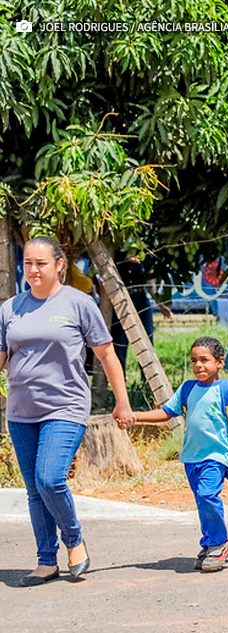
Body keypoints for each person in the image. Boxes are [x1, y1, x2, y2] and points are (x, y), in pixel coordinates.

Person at [0, 236, 134, 586]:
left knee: (49, 478)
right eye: (27, 263)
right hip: (21, 411)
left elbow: (106, 355)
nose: (33, 270)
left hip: (66, 405)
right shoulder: (10, 308)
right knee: (33, 488)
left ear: (59, 264)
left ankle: (74, 540)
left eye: (41, 263)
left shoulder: (78, 303)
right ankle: (46, 560)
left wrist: (122, 401)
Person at [133, 336, 228, 572]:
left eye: (204, 360)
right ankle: (211, 542)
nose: (198, 365)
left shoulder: (227, 389)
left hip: (217, 455)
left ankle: (219, 544)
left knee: (208, 495)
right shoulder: (187, 389)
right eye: (194, 361)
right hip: (191, 457)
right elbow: (166, 412)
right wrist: (135, 417)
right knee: (202, 500)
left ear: (219, 362)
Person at [111, 253, 173, 373]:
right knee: (120, 343)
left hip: (141, 300)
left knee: (147, 339)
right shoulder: (116, 255)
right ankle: (120, 378)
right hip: (121, 301)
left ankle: (148, 378)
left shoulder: (144, 257)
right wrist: (124, 260)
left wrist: (161, 306)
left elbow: (150, 284)